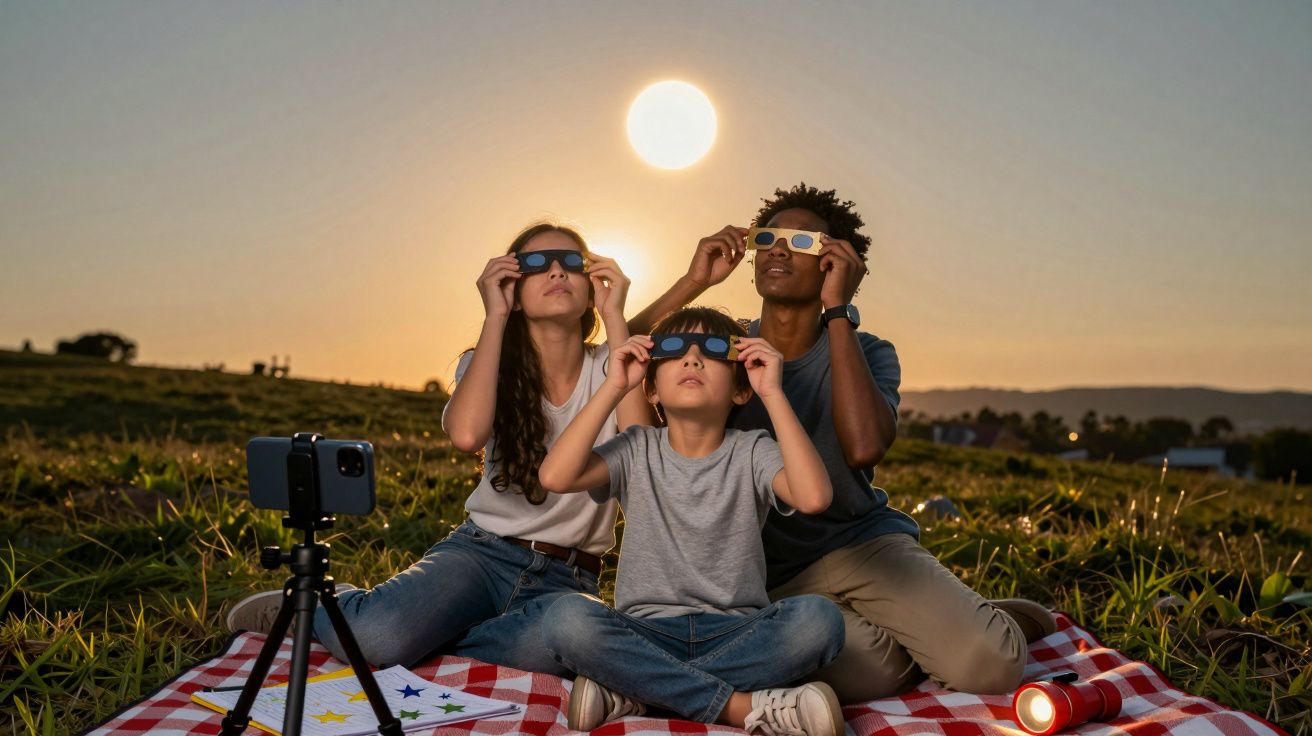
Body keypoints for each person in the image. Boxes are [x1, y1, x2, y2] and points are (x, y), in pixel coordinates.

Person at [630, 183, 1057, 703]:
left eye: (804, 242)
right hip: (768, 571)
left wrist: (838, 314)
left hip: (865, 544)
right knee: (864, 678)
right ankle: (934, 626)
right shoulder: (723, 352)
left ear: (838, 263)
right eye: (769, 237)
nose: (780, 249)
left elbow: (863, 448)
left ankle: (986, 622)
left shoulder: (870, 352)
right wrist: (691, 283)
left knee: (989, 665)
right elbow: (619, 357)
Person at [226, 222, 651, 675]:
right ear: (512, 285)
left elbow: (643, 458)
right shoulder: (487, 361)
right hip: (482, 556)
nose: (556, 272)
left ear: (591, 286)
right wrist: (494, 316)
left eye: (572, 263)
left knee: (574, 643)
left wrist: (616, 316)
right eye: (535, 264)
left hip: (571, 575)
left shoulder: (614, 365)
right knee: (378, 638)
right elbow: (466, 435)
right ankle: (327, 605)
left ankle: (423, 630)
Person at [536, 306, 848, 736]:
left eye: (714, 351)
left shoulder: (753, 450)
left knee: (819, 620)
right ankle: (739, 707)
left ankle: (635, 692)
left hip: (738, 632)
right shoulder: (635, 447)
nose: (692, 358)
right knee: (566, 618)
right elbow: (556, 475)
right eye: (675, 349)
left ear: (741, 390)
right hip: (645, 631)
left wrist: (774, 393)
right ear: (651, 391)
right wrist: (614, 385)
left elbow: (814, 496)